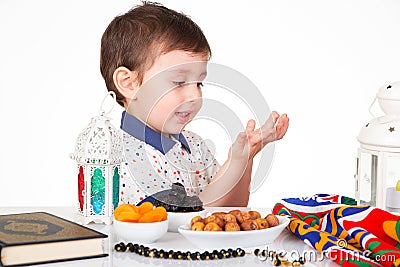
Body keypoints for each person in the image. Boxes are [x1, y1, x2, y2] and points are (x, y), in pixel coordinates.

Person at [100, 2, 289, 207]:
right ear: (129, 84)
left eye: (199, 83)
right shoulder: (121, 156)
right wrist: (234, 163)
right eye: (179, 82)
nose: (194, 95)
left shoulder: (194, 145)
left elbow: (231, 208)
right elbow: (185, 220)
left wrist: (244, 158)